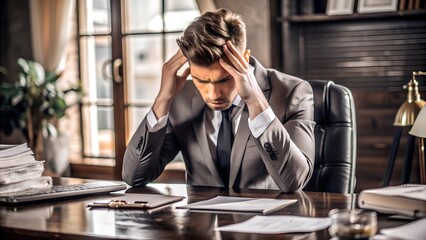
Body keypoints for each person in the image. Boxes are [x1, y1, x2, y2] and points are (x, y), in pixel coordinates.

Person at [122, 8, 315, 192]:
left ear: (244, 59)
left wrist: (257, 103)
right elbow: (134, 177)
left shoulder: (292, 93)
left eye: (224, 79)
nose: (213, 94)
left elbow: (294, 181)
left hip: (265, 222)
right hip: (200, 225)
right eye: (201, 80)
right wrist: (162, 100)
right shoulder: (181, 99)